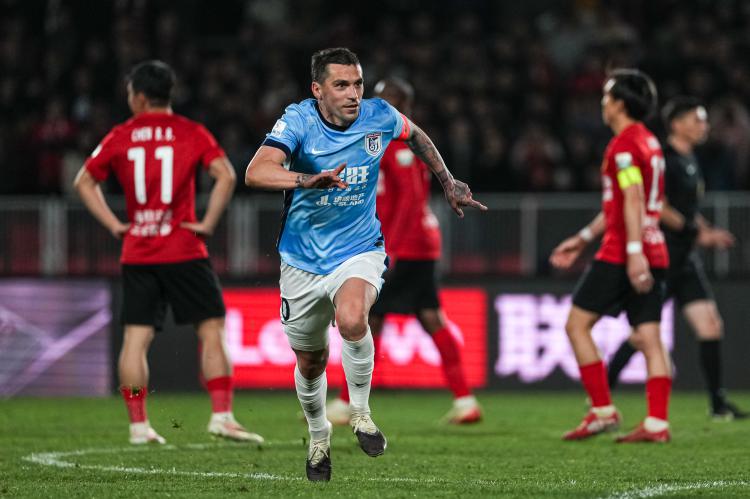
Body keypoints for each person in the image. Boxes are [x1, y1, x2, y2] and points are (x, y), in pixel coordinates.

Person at [245, 48, 486, 481]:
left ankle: (360, 413)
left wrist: (448, 181)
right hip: (301, 260)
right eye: (341, 85)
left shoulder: (379, 116)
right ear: (318, 90)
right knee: (310, 362)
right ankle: (319, 435)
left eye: (357, 84)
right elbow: (256, 171)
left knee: (355, 318)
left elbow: (417, 135)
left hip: (361, 248)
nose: (353, 94)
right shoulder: (298, 121)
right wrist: (306, 180)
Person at [74, 60, 262, 445]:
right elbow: (226, 175)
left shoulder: (120, 135)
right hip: (184, 248)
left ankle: (138, 426)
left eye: (130, 93)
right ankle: (222, 417)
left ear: (141, 97)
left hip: (138, 252)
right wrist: (207, 222)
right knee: (211, 330)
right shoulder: (191, 132)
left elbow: (84, 181)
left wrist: (114, 224)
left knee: (135, 339)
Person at [326, 77, 482, 426]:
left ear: (400, 105)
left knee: (367, 319)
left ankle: (346, 402)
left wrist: (389, 248)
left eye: (383, 100)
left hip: (404, 246)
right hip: (414, 246)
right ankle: (464, 400)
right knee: (428, 317)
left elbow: (410, 201)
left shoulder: (399, 146)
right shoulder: (384, 143)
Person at [550, 69, 672, 443]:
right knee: (649, 336)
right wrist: (583, 238)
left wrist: (633, 253)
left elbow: (632, 199)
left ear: (619, 104)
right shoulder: (648, 141)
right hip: (654, 247)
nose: (602, 103)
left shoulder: (623, 146)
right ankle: (657, 423)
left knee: (576, 325)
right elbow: (622, 204)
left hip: (623, 252)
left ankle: (603, 411)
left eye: (606, 96)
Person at [607, 97, 747, 420]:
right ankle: (602, 392)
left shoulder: (690, 159)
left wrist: (707, 231)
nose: (704, 126)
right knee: (641, 334)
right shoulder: (664, 159)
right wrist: (697, 232)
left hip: (685, 259)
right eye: (698, 120)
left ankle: (717, 404)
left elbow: (687, 210)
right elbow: (658, 206)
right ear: (677, 124)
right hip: (663, 256)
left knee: (710, 325)